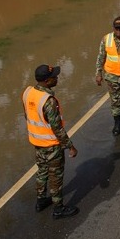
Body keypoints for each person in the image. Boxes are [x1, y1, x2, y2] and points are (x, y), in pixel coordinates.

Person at [22, 64, 79, 219]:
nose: (57, 77)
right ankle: (58, 208)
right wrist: (70, 146)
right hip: (52, 146)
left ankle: (40, 201)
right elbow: (57, 129)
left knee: (42, 172)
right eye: (54, 76)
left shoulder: (28, 93)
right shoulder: (49, 101)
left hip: (37, 143)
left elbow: (27, 115)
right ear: (47, 81)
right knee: (56, 177)